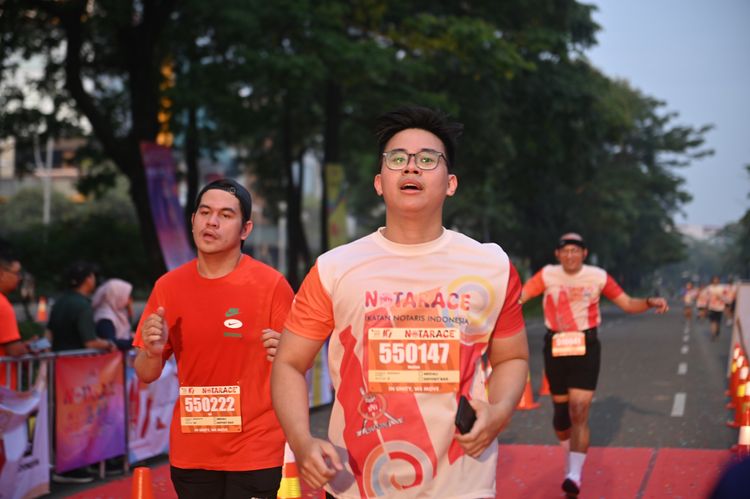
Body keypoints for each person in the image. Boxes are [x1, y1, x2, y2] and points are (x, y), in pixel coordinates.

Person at [271, 106, 529, 499]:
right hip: (356, 483)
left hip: (462, 483)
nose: (410, 167)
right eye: (397, 159)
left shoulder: (490, 265)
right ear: (379, 182)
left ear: (451, 183)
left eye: (427, 159)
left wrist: (499, 411)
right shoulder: (335, 268)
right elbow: (289, 362)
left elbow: (513, 357)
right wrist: (301, 440)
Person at [133, 178, 294, 499]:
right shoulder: (168, 287)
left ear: (245, 229)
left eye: (225, 215)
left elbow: (300, 363)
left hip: (256, 447)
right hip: (192, 450)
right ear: (193, 220)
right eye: (205, 212)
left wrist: (288, 354)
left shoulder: (272, 285)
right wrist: (151, 351)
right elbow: (146, 373)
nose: (212, 222)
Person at [519, 233, 668, 497]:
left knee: (579, 410)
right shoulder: (547, 275)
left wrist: (648, 302)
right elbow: (518, 297)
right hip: (555, 347)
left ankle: (574, 476)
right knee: (561, 416)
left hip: (586, 347)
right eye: (565, 251)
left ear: (584, 254)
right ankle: (570, 460)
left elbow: (627, 303)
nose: (570, 255)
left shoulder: (597, 276)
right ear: (558, 254)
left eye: (575, 250)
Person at [48, 261, 117, 353]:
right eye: (93, 276)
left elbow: (48, 334)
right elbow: (90, 343)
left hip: (58, 359)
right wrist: (109, 344)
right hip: (77, 359)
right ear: (88, 279)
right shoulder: (83, 306)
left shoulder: (59, 302)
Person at [0, 244, 31, 388]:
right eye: (16, 273)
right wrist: (29, 349)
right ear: (1, 273)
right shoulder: (2, 305)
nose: (19, 278)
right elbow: (14, 351)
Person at [92, 278, 134, 351]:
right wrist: (135, 341)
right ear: (117, 296)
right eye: (127, 296)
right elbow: (111, 343)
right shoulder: (105, 317)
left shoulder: (117, 313)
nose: (131, 299)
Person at [706, 275, 728, 341]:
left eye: (716, 279)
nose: (715, 281)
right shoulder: (709, 288)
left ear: (718, 280)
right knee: (713, 321)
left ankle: (717, 332)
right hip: (711, 307)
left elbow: (726, 297)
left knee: (718, 322)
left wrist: (721, 297)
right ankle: (713, 335)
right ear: (712, 280)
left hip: (720, 308)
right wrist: (706, 307)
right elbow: (707, 297)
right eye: (714, 279)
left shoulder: (722, 288)